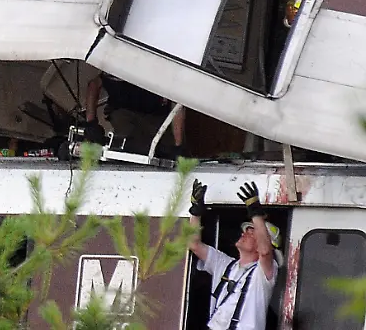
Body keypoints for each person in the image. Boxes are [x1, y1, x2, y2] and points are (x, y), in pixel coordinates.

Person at [188, 180, 279, 330]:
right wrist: (195, 213)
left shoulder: (263, 274)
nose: (244, 233)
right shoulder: (224, 264)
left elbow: (265, 251)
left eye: (251, 233)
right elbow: (194, 244)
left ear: (261, 242)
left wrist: (256, 214)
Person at [83, 71, 185, 158]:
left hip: (157, 119)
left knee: (168, 153)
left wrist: (178, 145)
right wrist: (91, 124)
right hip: (125, 116)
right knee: (132, 150)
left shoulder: (162, 71)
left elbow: (177, 101)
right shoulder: (119, 64)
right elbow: (94, 85)